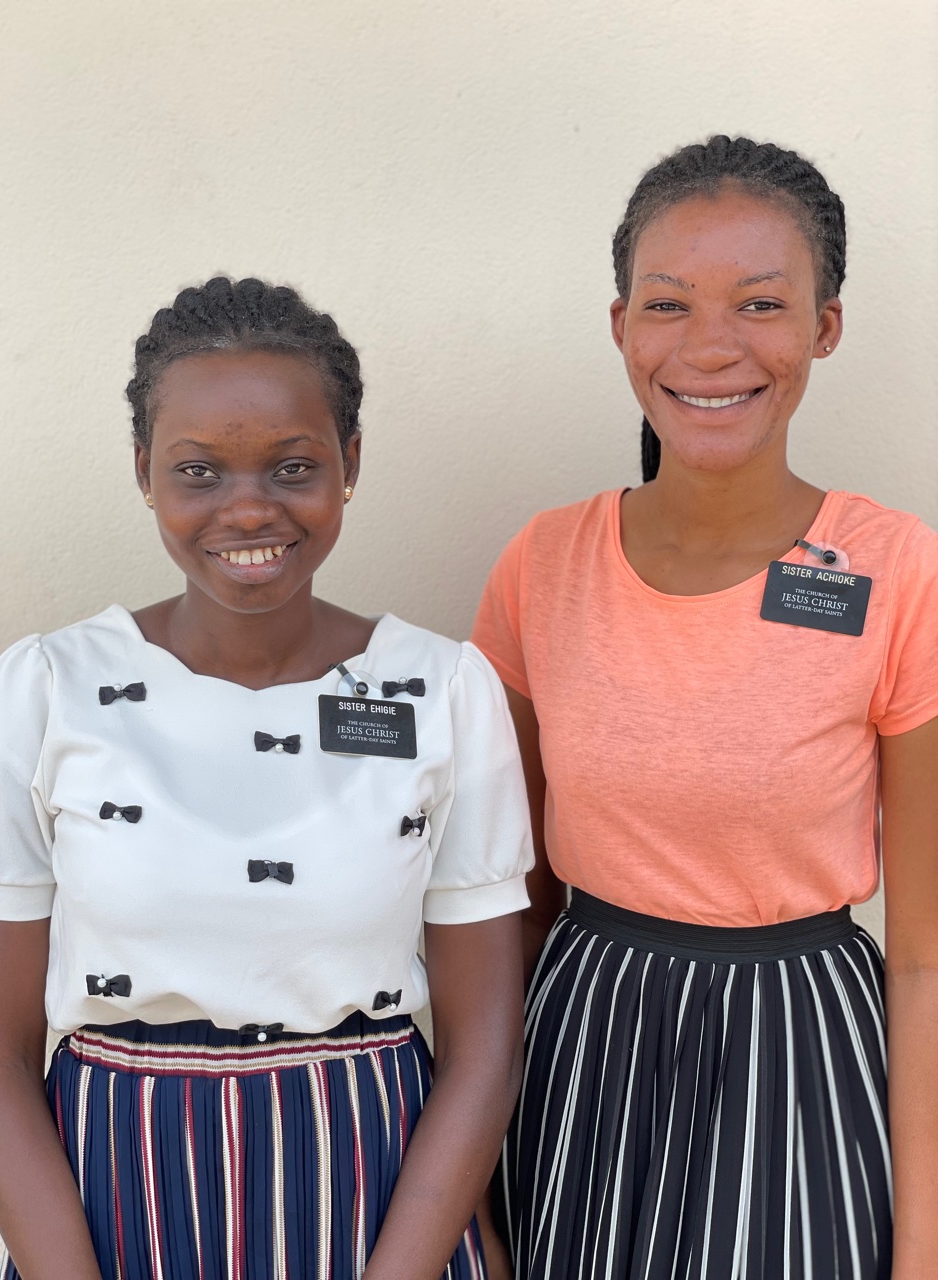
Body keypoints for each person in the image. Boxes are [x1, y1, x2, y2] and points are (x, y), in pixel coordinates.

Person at [0, 276, 533, 1280]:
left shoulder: (443, 689)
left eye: (293, 466)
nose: (247, 507)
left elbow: (483, 1050)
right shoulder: (48, 689)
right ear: (144, 470)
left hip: (374, 1194)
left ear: (349, 463)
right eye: (198, 469)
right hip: (115, 1201)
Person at [472, 136, 938, 1279]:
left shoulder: (900, 571)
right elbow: (503, 904)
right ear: (621, 325)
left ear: (825, 325)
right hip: (587, 1043)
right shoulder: (543, 563)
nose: (712, 346)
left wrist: (925, 1246)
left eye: (762, 303)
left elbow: (926, 957)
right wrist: (477, 1181)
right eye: (669, 303)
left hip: (803, 1046)